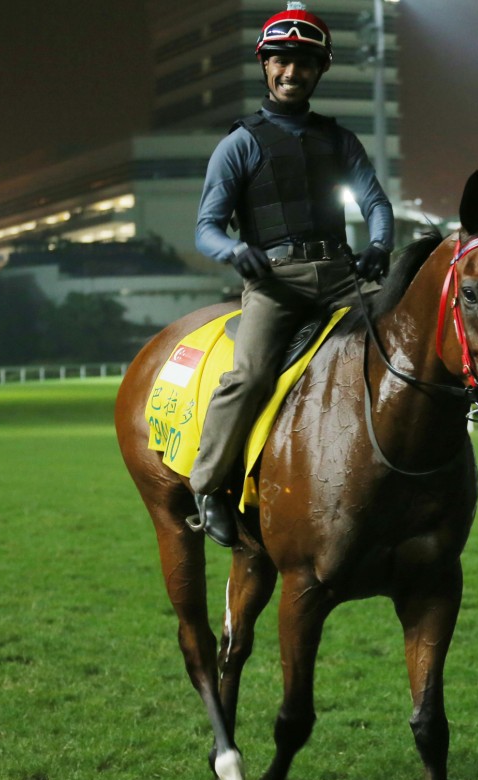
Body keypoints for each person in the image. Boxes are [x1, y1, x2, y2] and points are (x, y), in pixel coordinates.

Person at [189, 1, 394, 547]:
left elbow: (375, 203)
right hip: (276, 285)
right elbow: (205, 228)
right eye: (281, 61)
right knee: (249, 377)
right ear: (265, 65)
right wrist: (235, 252)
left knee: (400, 351)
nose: (291, 72)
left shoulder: (339, 140)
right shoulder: (239, 143)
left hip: (342, 278)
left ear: (320, 70)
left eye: (304, 63)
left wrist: (380, 244)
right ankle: (207, 487)